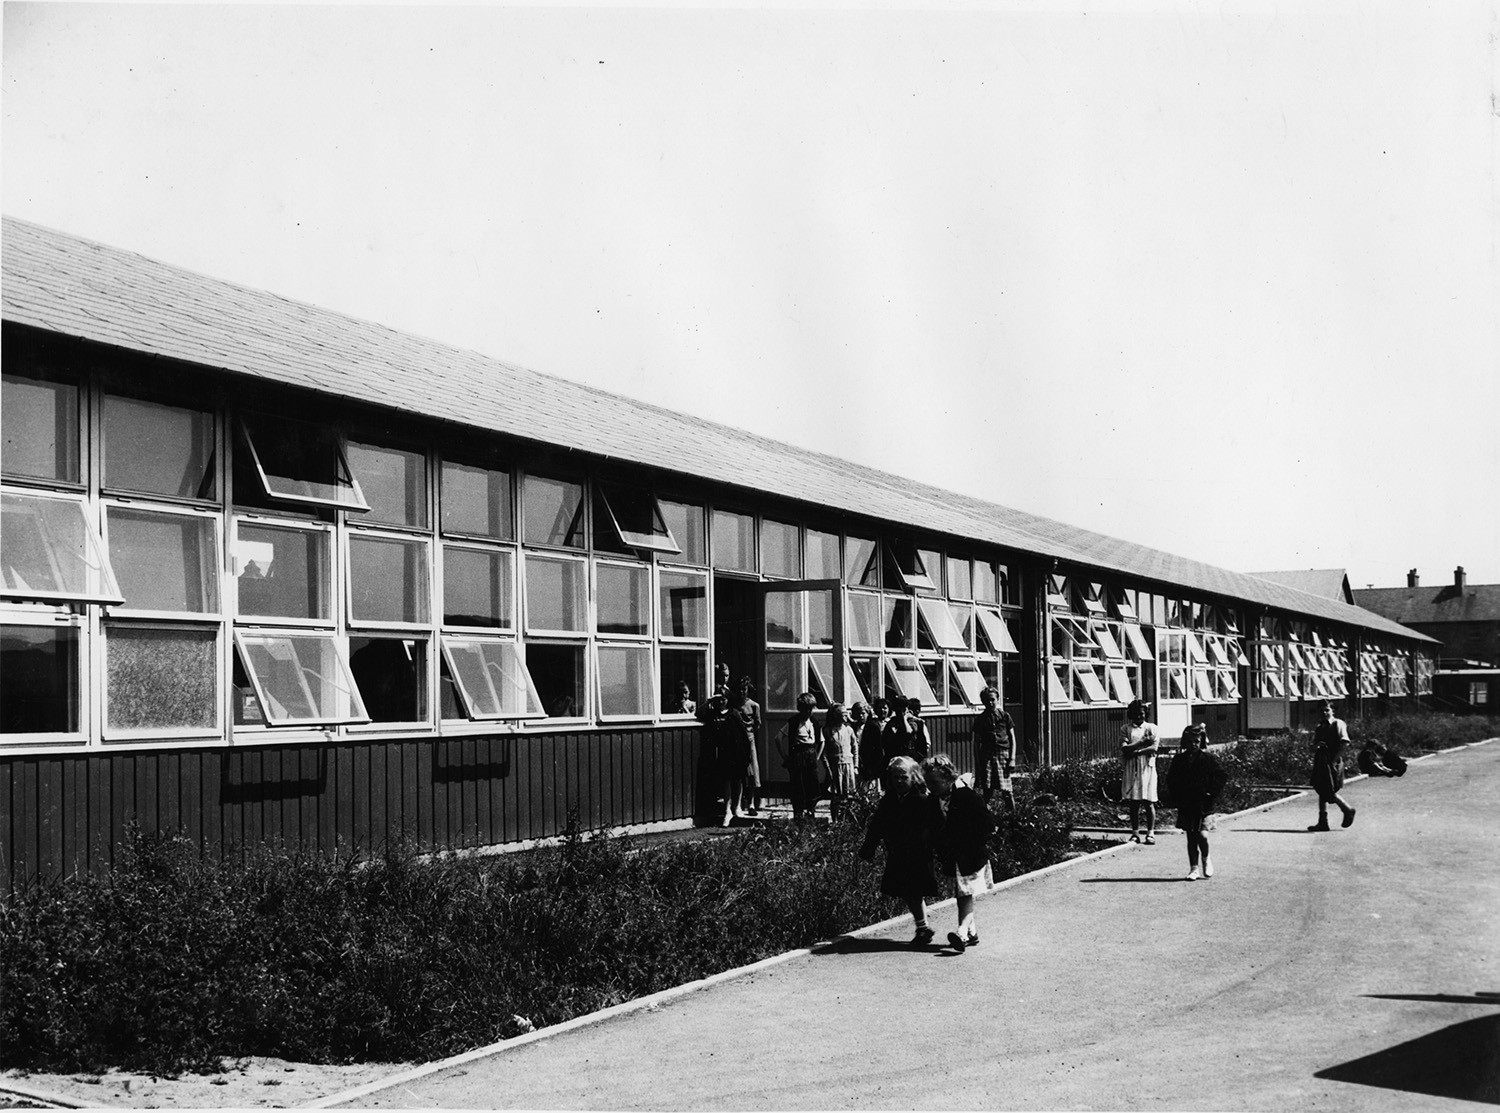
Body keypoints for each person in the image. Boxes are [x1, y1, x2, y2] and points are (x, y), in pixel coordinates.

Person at [859, 755, 941, 947]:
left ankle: (922, 928)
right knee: (907, 891)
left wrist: (940, 849)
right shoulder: (889, 800)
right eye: (895, 777)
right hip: (898, 853)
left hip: (918, 853)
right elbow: (877, 825)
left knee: (913, 890)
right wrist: (868, 848)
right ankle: (922, 927)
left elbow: (935, 826)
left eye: (904, 777)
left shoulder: (922, 800)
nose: (899, 781)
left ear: (914, 778)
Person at [922, 753, 996, 951]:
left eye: (934, 782)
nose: (931, 787)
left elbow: (987, 823)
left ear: (948, 778)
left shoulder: (966, 797)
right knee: (962, 894)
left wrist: (974, 840)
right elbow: (933, 826)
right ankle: (971, 933)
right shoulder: (933, 801)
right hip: (952, 857)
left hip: (971, 855)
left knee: (965, 893)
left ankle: (962, 932)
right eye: (928, 782)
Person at [1166, 723, 1228, 880]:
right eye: (1190, 741)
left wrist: (1211, 792)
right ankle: (1194, 868)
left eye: (1196, 741)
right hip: (1187, 803)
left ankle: (1206, 859)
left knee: (1202, 835)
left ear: (1202, 741)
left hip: (1204, 804)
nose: (1193, 745)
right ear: (1185, 742)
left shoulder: (1208, 759)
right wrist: (1177, 796)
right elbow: (1171, 780)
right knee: (1191, 837)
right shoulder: (1179, 760)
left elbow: (1221, 776)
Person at [699, 694, 746, 826]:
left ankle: (737, 806)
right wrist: (708, 701)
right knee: (726, 780)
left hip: (735, 750)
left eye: (724, 698)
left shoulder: (734, 713)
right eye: (718, 699)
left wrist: (745, 753)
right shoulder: (713, 714)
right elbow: (699, 712)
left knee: (738, 779)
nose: (721, 701)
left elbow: (742, 733)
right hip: (722, 750)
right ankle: (727, 809)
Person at [1309, 701, 1356, 831]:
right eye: (1322, 711)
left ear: (1332, 711)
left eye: (1327, 710)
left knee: (1328, 790)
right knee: (1321, 788)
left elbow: (1345, 743)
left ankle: (1347, 809)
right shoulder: (1320, 727)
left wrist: (1334, 760)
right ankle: (1322, 822)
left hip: (1332, 760)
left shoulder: (1338, 724)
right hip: (1321, 761)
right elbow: (1313, 745)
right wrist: (1316, 746)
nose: (1324, 713)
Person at [1119, 699, 1160, 844]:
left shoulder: (1152, 728)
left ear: (1145, 714)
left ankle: (1150, 833)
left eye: (1141, 714)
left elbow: (1154, 748)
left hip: (1147, 767)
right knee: (1134, 802)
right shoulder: (1126, 729)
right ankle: (1135, 833)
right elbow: (1124, 748)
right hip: (1132, 768)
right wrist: (1142, 743)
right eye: (1136, 714)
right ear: (1131, 714)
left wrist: (1135, 750)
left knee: (1148, 801)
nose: (1139, 717)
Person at [971, 686, 1018, 812]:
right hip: (986, 755)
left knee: (1007, 791)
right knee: (987, 791)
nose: (990, 703)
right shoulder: (980, 720)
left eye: (992, 699)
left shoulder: (1005, 716)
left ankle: (1015, 819)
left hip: (1003, 755)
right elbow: (976, 743)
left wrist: (1012, 758)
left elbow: (1012, 738)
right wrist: (978, 763)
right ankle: (983, 818)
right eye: (987, 700)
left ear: (998, 700)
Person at [782, 691, 825, 821]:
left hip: (810, 755)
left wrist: (817, 756)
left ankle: (811, 811)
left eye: (810, 709)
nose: (808, 712)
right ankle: (798, 813)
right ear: (799, 709)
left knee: (812, 784)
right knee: (798, 784)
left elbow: (822, 741)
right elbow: (778, 738)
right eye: (805, 709)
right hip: (798, 756)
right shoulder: (794, 722)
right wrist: (785, 757)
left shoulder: (814, 722)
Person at [730, 676, 763, 816]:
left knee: (752, 772)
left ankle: (751, 804)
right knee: (739, 772)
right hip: (737, 741)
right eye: (739, 690)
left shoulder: (754, 705)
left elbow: (757, 724)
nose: (742, 692)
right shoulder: (733, 705)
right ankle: (737, 804)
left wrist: (749, 734)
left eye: (744, 689)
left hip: (749, 740)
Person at [823, 702, 859, 821]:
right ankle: (835, 821)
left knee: (849, 794)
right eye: (843, 714)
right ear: (836, 716)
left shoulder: (849, 730)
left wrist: (856, 766)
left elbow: (855, 747)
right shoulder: (827, 731)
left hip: (849, 765)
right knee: (836, 796)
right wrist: (828, 768)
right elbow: (824, 752)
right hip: (835, 766)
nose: (846, 716)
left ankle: (847, 819)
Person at [859, 697, 892, 791]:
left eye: (885, 708)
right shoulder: (871, 724)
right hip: (876, 758)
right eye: (880, 707)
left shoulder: (892, 723)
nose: (882, 710)